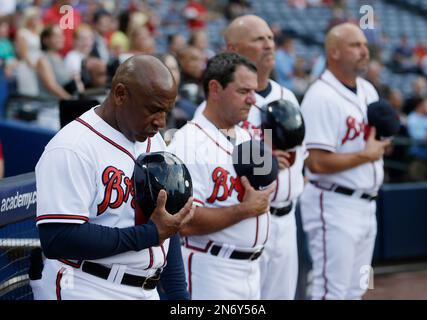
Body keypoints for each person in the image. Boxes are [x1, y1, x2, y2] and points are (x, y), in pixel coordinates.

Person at [34, 55, 195, 300]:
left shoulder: (152, 139)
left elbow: (166, 228)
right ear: (121, 94)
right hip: (87, 285)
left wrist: (178, 295)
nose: (161, 122)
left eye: (165, 112)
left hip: (146, 288)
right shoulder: (71, 147)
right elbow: (58, 237)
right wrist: (149, 234)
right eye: (153, 109)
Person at [168, 52, 276, 300]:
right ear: (215, 89)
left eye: (254, 91)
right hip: (210, 267)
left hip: (251, 269)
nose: (252, 99)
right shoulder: (187, 143)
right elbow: (184, 221)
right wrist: (245, 210)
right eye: (243, 91)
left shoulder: (246, 136)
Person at [299, 22, 391, 300]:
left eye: (364, 45)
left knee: (356, 290)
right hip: (334, 204)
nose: (364, 51)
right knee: (331, 291)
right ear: (334, 52)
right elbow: (315, 163)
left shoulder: (367, 89)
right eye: (355, 45)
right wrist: (366, 155)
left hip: (366, 204)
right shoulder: (320, 96)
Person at [224, 15, 306, 300]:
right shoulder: (224, 102)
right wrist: (264, 158)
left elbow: (300, 159)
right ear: (233, 49)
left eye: (270, 38)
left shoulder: (288, 96)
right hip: (245, 220)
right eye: (259, 39)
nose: (269, 44)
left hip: (286, 217)